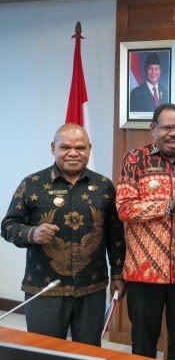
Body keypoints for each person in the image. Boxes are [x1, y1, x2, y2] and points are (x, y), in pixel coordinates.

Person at [1, 123, 125, 346]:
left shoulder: (104, 186)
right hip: (44, 288)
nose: (73, 153)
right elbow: (8, 226)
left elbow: (115, 236)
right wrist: (32, 233)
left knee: (88, 354)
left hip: (91, 289)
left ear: (89, 148)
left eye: (80, 147)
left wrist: (117, 275)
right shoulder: (32, 184)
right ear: (53, 148)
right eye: (65, 147)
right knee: (45, 353)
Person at [115, 104, 175, 360]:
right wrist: (170, 205)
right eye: (167, 127)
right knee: (144, 342)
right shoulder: (134, 159)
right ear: (153, 128)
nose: (174, 134)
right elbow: (125, 209)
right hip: (143, 273)